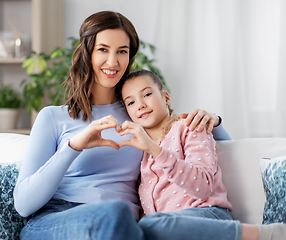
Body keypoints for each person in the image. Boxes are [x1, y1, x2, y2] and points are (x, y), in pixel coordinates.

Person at [13, 11, 230, 240]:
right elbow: (23, 205)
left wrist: (213, 122)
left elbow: (220, 156)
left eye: (122, 52)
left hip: (122, 225)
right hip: (57, 220)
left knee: (122, 216)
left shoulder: (139, 114)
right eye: (103, 49)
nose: (113, 62)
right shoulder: (53, 117)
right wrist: (73, 146)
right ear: (87, 53)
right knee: (115, 213)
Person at [118, 69, 286, 240]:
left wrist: (156, 151)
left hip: (208, 215)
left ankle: (267, 234)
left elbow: (203, 185)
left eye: (147, 94)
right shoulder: (141, 153)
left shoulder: (190, 127)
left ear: (165, 97)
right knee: (142, 228)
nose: (140, 105)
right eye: (131, 102)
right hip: (173, 230)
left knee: (152, 224)